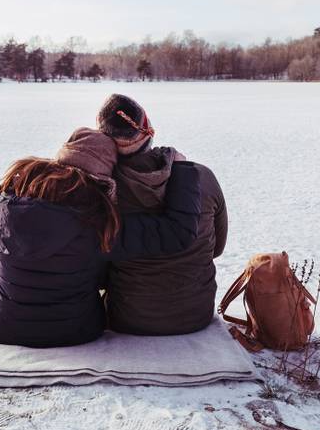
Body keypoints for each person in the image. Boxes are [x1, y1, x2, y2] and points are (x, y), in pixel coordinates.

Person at [0, 127, 202, 348]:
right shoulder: (96, 223)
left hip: (5, 327)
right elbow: (176, 233)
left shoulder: (2, 203)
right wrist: (183, 169)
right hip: (75, 331)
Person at [97, 94, 227, 336]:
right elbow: (217, 248)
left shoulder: (102, 192)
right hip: (195, 316)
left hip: (127, 317)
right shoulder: (203, 177)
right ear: (148, 130)